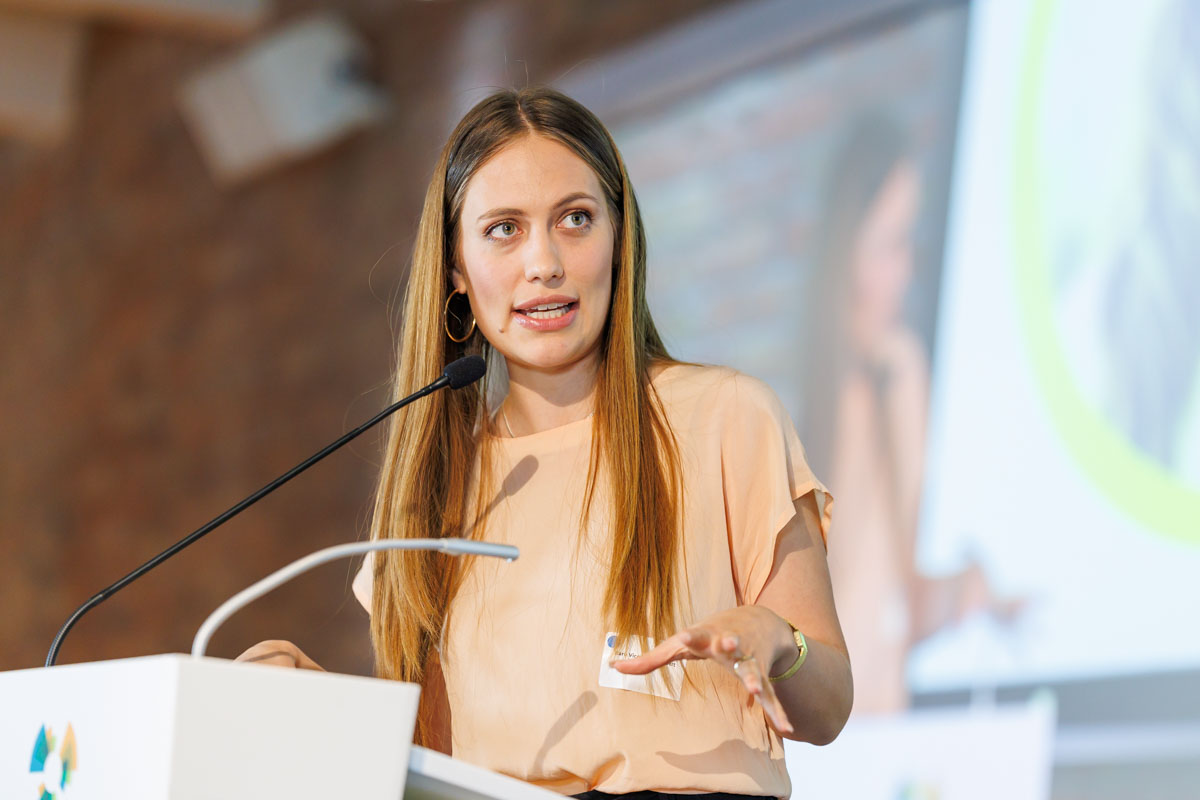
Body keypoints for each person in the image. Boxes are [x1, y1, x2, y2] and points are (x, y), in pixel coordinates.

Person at [237, 87, 852, 799]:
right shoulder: (429, 488)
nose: (545, 263)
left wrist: (781, 643)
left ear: (620, 241)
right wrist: (311, 700)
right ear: (457, 272)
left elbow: (829, 705)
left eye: (575, 220)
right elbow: (420, 763)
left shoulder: (725, 416)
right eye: (504, 230)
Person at [800, 112, 1018, 714]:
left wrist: (965, 596)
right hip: (835, 740)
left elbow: (897, 602)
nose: (904, 273)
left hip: (879, 730)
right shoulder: (849, 394)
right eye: (890, 245)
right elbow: (847, 606)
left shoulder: (897, 375)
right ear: (849, 250)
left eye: (907, 244)